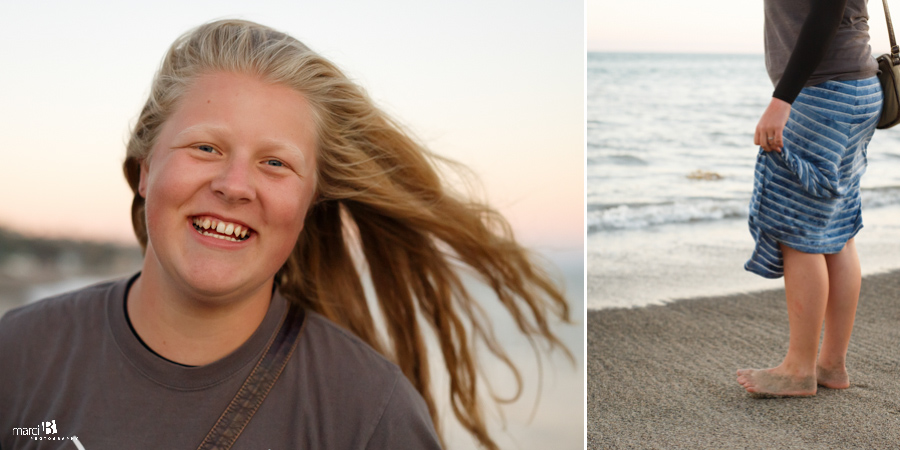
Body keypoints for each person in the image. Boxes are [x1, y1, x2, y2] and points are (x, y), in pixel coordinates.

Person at [0, 19, 571, 449]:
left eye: (276, 163)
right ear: (146, 169)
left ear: (308, 203)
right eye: (206, 147)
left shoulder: (368, 412)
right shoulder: (19, 353)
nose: (235, 185)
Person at [738, 0, 882, 396]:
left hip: (823, 93)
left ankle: (798, 369)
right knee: (837, 229)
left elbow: (827, 9)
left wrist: (782, 99)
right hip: (855, 87)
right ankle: (830, 365)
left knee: (797, 227)